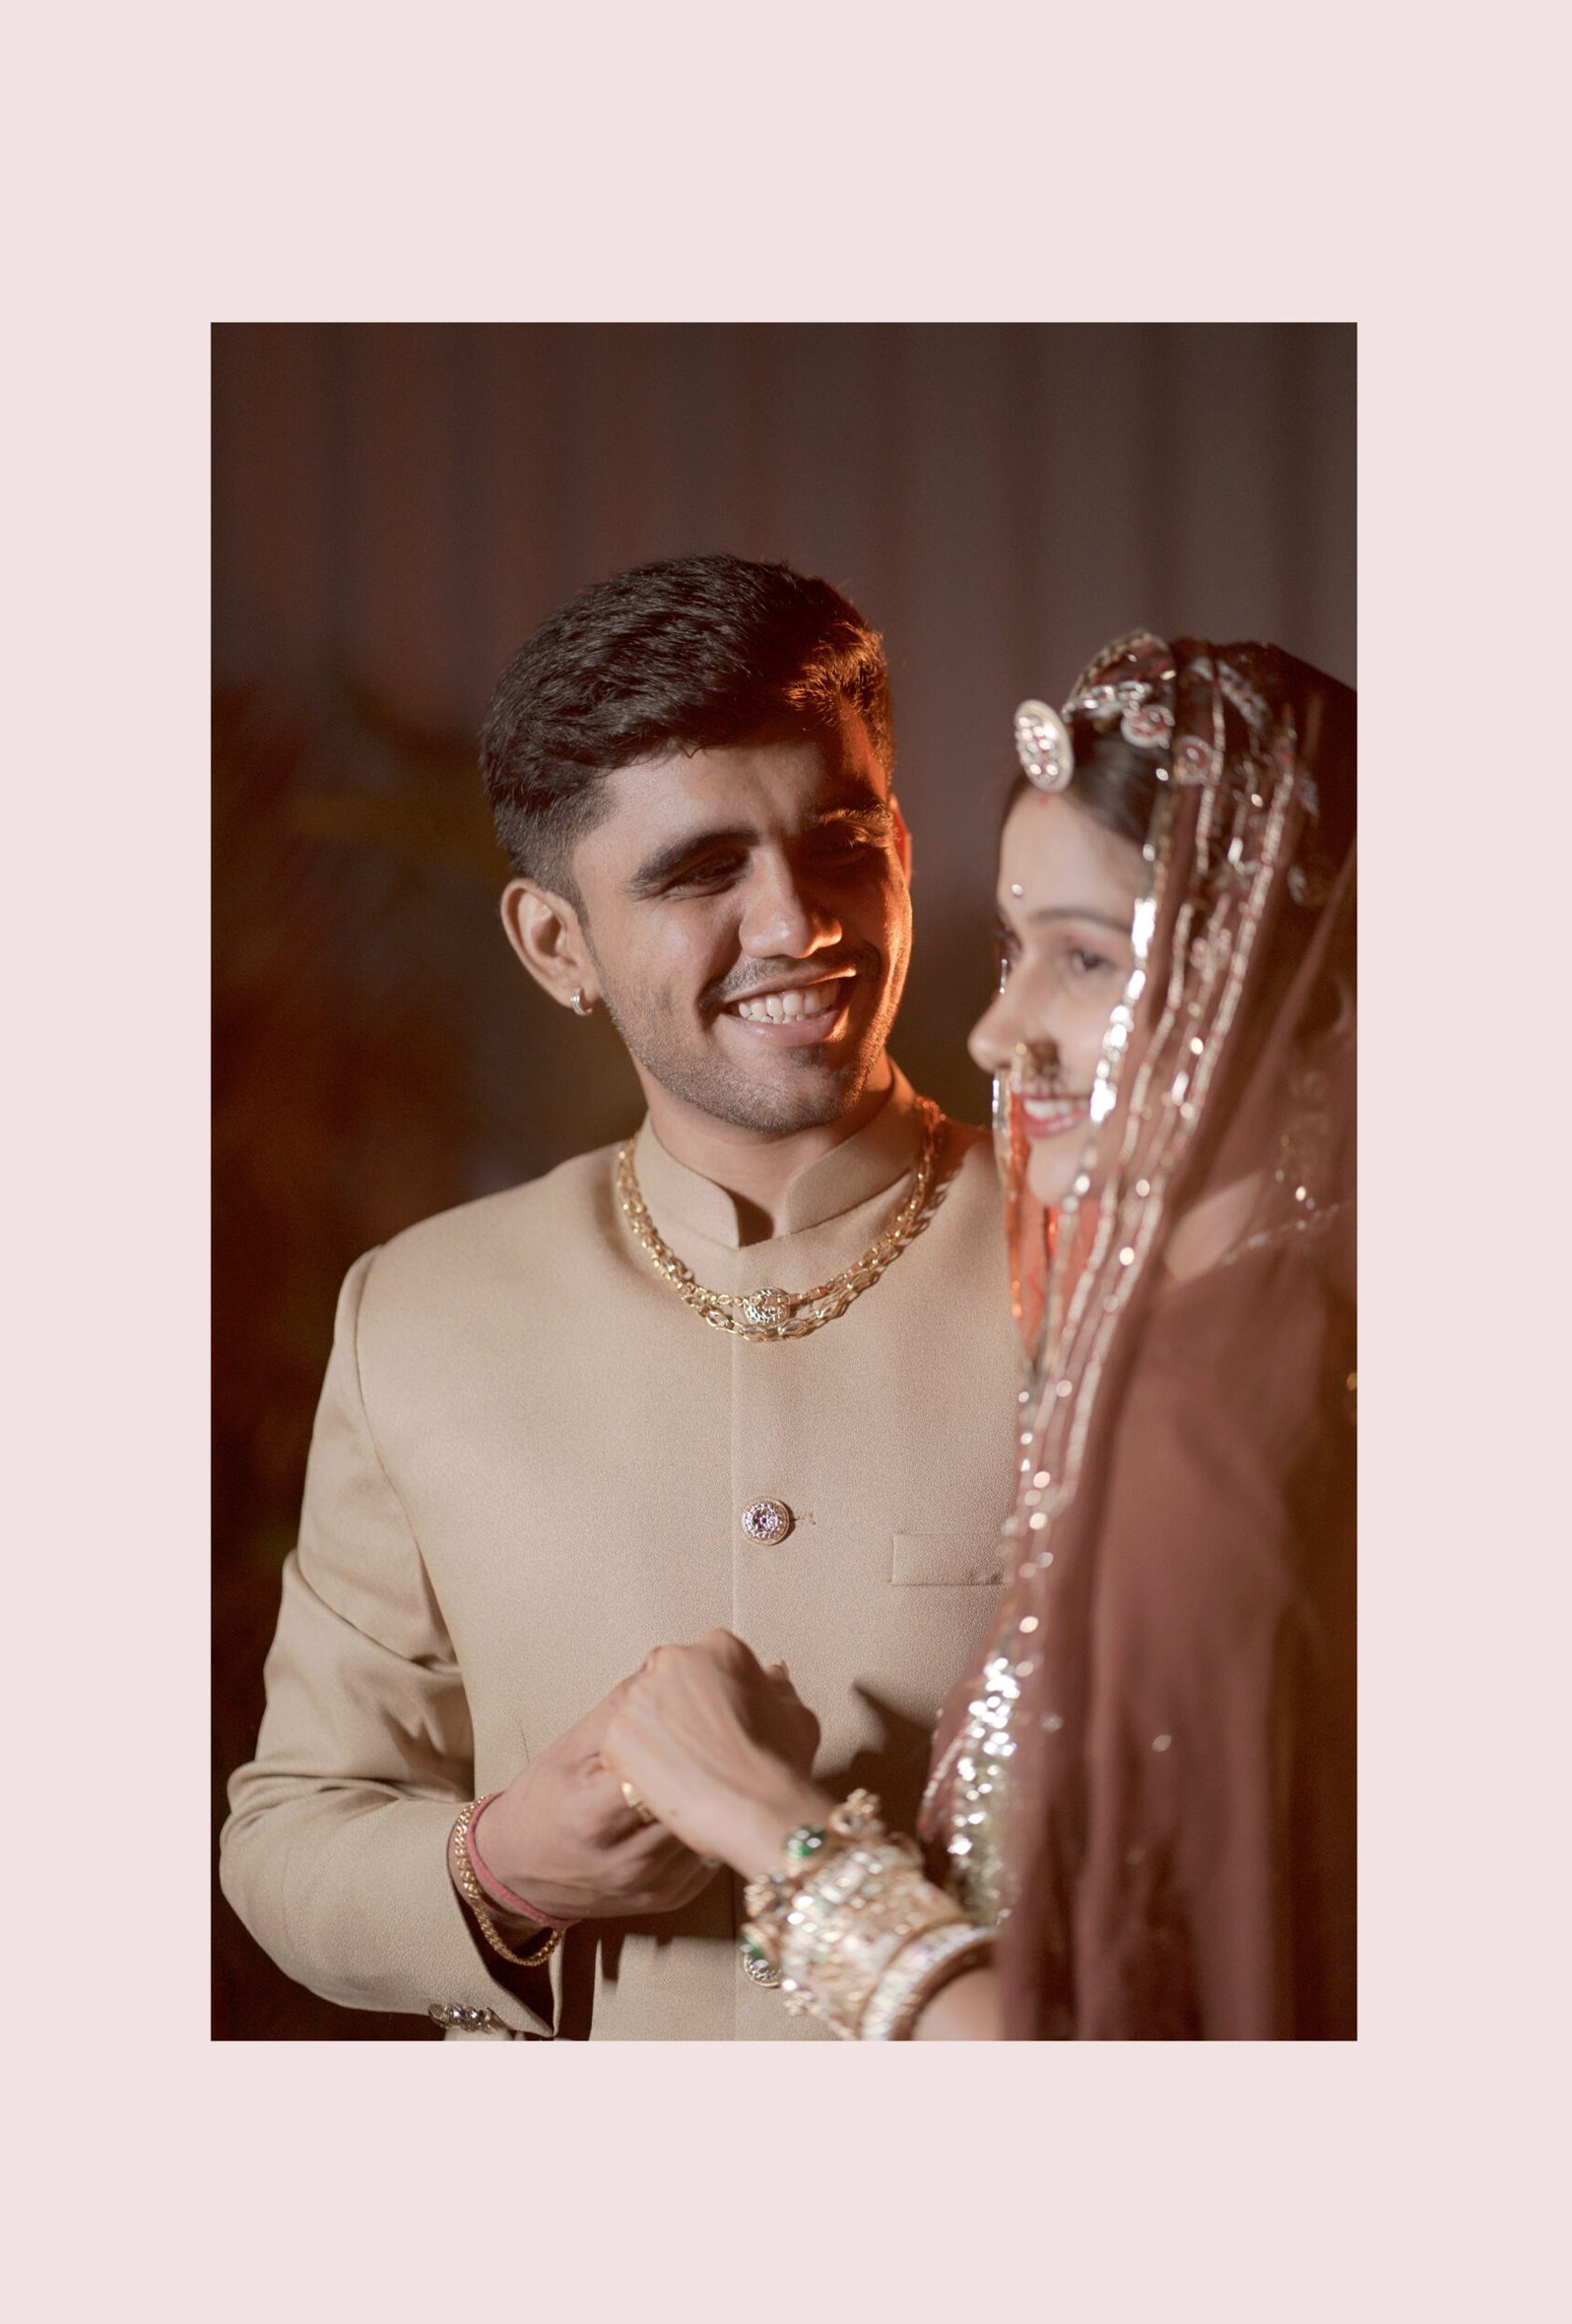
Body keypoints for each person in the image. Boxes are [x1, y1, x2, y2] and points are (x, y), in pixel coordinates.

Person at [220, 554, 1018, 2040]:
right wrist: (502, 1868)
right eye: (701, 872)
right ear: (555, 943)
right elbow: (290, 1831)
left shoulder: (1118, 1273)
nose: (796, 923)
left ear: (901, 850)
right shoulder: (418, 1312)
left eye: (839, 845)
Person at [598, 630, 1357, 2039]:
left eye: (1089, 959)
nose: (1004, 1029)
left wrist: (769, 1826)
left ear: (1292, 976)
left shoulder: (1216, 1403)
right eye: (1017, 951)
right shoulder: (1264, 1334)